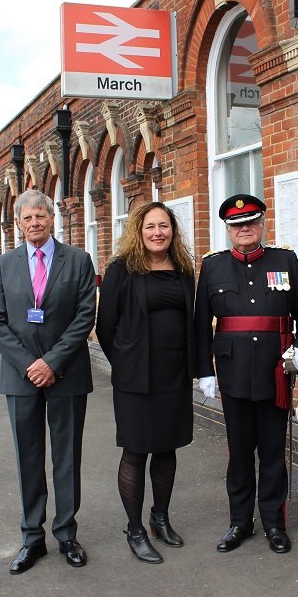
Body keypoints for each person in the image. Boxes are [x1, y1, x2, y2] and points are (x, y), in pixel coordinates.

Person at [0, 188, 97, 574]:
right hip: (20, 379)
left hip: (66, 375)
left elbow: (85, 317)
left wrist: (50, 362)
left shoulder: (79, 260)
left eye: (41, 216)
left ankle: (66, 534)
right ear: (18, 224)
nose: (35, 222)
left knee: (66, 458)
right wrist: (30, 365)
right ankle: (32, 539)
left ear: (53, 220)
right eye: (27, 217)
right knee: (28, 459)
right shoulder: (4, 266)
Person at [195, 194, 298, 554]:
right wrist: (204, 371)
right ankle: (240, 522)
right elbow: (201, 324)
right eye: (236, 225)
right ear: (228, 230)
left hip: (274, 371)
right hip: (232, 373)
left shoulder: (284, 260)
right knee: (240, 453)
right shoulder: (213, 267)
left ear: (261, 225)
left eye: (251, 223)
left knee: (273, 452)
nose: (244, 229)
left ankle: (274, 522)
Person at [96, 201, 196, 564]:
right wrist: (124, 361)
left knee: (167, 448)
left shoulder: (183, 269)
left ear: (173, 231)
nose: (158, 232)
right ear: (139, 231)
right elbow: (105, 326)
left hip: (174, 376)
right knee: (136, 451)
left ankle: (160, 519)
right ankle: (135, 530)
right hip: (136, 379)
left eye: (164, 226)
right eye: (151, 226)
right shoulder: (122, 270)